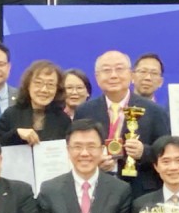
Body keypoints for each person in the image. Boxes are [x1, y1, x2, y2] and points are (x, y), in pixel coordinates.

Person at [73, 50, 172, 197]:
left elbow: (167, 152)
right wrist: (94, 161)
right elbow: (75, 150)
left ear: (131, 75)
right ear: (97, 77)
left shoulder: (154, 111)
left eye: (119, 69)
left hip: (141, 191)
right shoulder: (85, 111)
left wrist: (144, 152)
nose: (113, 75)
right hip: (97, 191)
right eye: (107, 70)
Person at [0, 60, 73, 148]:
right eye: (38, 83)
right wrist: (16, 134)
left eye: (50, 84)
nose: (44, 90)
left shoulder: (63, 120)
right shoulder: (11, 114)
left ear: (57, 89)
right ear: (28, 86)